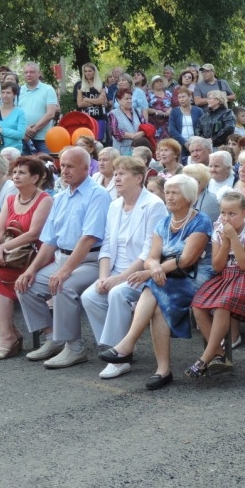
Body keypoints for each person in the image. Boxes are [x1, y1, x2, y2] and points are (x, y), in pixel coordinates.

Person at [99, 174, 213, 390]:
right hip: (169, 278)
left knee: (153, 288)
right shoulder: (164, 223)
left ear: (188, 196)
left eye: (174, 192)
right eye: (167, 192)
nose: (168, 197)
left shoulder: (201, 220)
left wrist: (153, 271)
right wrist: (154, 267)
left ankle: (130, 345)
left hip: (197, 278)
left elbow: (187, 259)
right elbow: (152, 257)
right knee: (157, 300)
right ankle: (162, 370)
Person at [15, 147, 112, 367]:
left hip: (91, 261)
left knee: (62, 285)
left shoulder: (97, 194)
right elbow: (49, 241)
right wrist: (30, 270)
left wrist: (64, 271)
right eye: (63, 165)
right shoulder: (60, 197)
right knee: (26, 285)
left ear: (86, 168)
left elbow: (88, 239)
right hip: (62, 258)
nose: (64, 170)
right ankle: (53, 338)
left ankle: (74, 348)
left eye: (70, 166)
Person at [80, 156, 167, 379]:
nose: (116, 177)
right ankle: (117, 346)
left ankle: (120, 359)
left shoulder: (154, 205)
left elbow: (149, 251)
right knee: (90, 296)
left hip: (142, 272)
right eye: (116, 173)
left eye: (122, 173)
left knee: (118, 293)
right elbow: (107, 245)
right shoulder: (115, 204)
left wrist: (118, 280)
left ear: (139, 178)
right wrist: (103, 277)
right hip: (117, 271)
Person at [0, 156, 53, 360]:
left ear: (35, 178)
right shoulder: (11, 199)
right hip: (9, 255)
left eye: (21, 172)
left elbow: (33, 234)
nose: (15, 176)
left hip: (33, 256)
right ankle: (10, 333)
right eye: (15, 172)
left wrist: (2, 247)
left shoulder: (45, 200)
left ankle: (7, 337)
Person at [187, 192, 245, 378]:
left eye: (232, 214)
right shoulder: (219, 232)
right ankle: (218, 352)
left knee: (222, 304)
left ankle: (204, 358)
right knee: (198, 305)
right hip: (226, 276)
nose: (226, 218)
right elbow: (217, 267)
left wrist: (234, 238)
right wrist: (225, 242)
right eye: (223, 213)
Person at [18, 62, 60, 154]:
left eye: (32, 72)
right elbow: (14, 113)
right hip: (23, 137)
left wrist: (34, 129)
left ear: (39, 73)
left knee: (45, 166)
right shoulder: (18, 90)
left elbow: (50, 113)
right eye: (26, 72)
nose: (28, 74)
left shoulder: (48, 90)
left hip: (43, 138)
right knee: (24, 166)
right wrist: (24, 129)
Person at [74, 63, 109, 141]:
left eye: (90, 71)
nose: (87, 73)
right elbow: (80, 104)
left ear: (94, 72)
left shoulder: (101, 85)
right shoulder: (80, 86)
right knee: (86, 141)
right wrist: (96, 101)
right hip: (85, 119)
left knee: (98, 141)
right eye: (85, 71)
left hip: (99, 117)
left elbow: (102, 101)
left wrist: (86, 99)